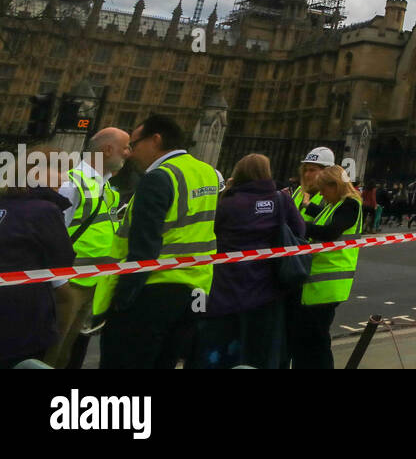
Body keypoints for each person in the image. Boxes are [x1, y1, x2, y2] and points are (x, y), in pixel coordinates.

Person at [99, 114, 221, 369]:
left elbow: (144, 245)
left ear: (156, 140)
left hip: (154, 288)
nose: (131, 153)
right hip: (196, 288)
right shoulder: (206, 172)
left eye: (135, 144)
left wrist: (124, 298)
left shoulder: (159, 178)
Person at [192, 153, 305, 369]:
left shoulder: (228, 203)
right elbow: (299, 231)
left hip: (226, 285)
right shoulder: (281, 200)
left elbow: (211, 234)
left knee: (222, 347)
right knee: (259, 352)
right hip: (267, 288)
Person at [46, 126, 130, 368]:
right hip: (68, 284)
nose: (128, 153)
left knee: (65, 355)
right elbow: (54, 234)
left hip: (92, 283)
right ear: (107, 149)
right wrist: (58, 284)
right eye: (125, 147)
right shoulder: (73, 183)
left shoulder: (109, 189)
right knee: (51, 353)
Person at [0, 145, 76, 368]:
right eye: (62, 171)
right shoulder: (44, 210)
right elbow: (63, 260)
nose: (65, 181)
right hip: (21, 321)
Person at [286, 164, 362, 369]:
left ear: (335, 185)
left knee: (316, 343)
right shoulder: (335, 204)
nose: (322, 194)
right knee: (307, 340)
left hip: (329, 283)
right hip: (318, 284)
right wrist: (305, 206)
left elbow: (330, 231)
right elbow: (323, 215)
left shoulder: (350, 205)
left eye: (323, 190)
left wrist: (297, 227)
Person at [288, 147, 332, 222]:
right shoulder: (299, 190)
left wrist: (308, 205)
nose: (306, 175)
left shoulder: (333, 193)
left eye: (312, 170)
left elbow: (329, 220)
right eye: (305, 170)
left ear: (326, 171)